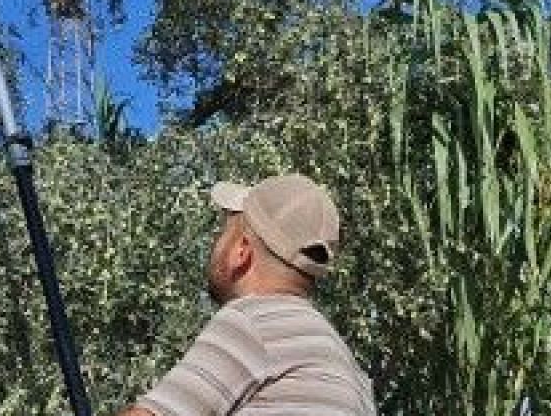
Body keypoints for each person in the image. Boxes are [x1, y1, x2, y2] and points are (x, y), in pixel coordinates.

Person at [117, 173, 377, 416]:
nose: (216, 242)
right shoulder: (348, 369)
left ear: (240, 251)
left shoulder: (253, 323)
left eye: (224, 231)